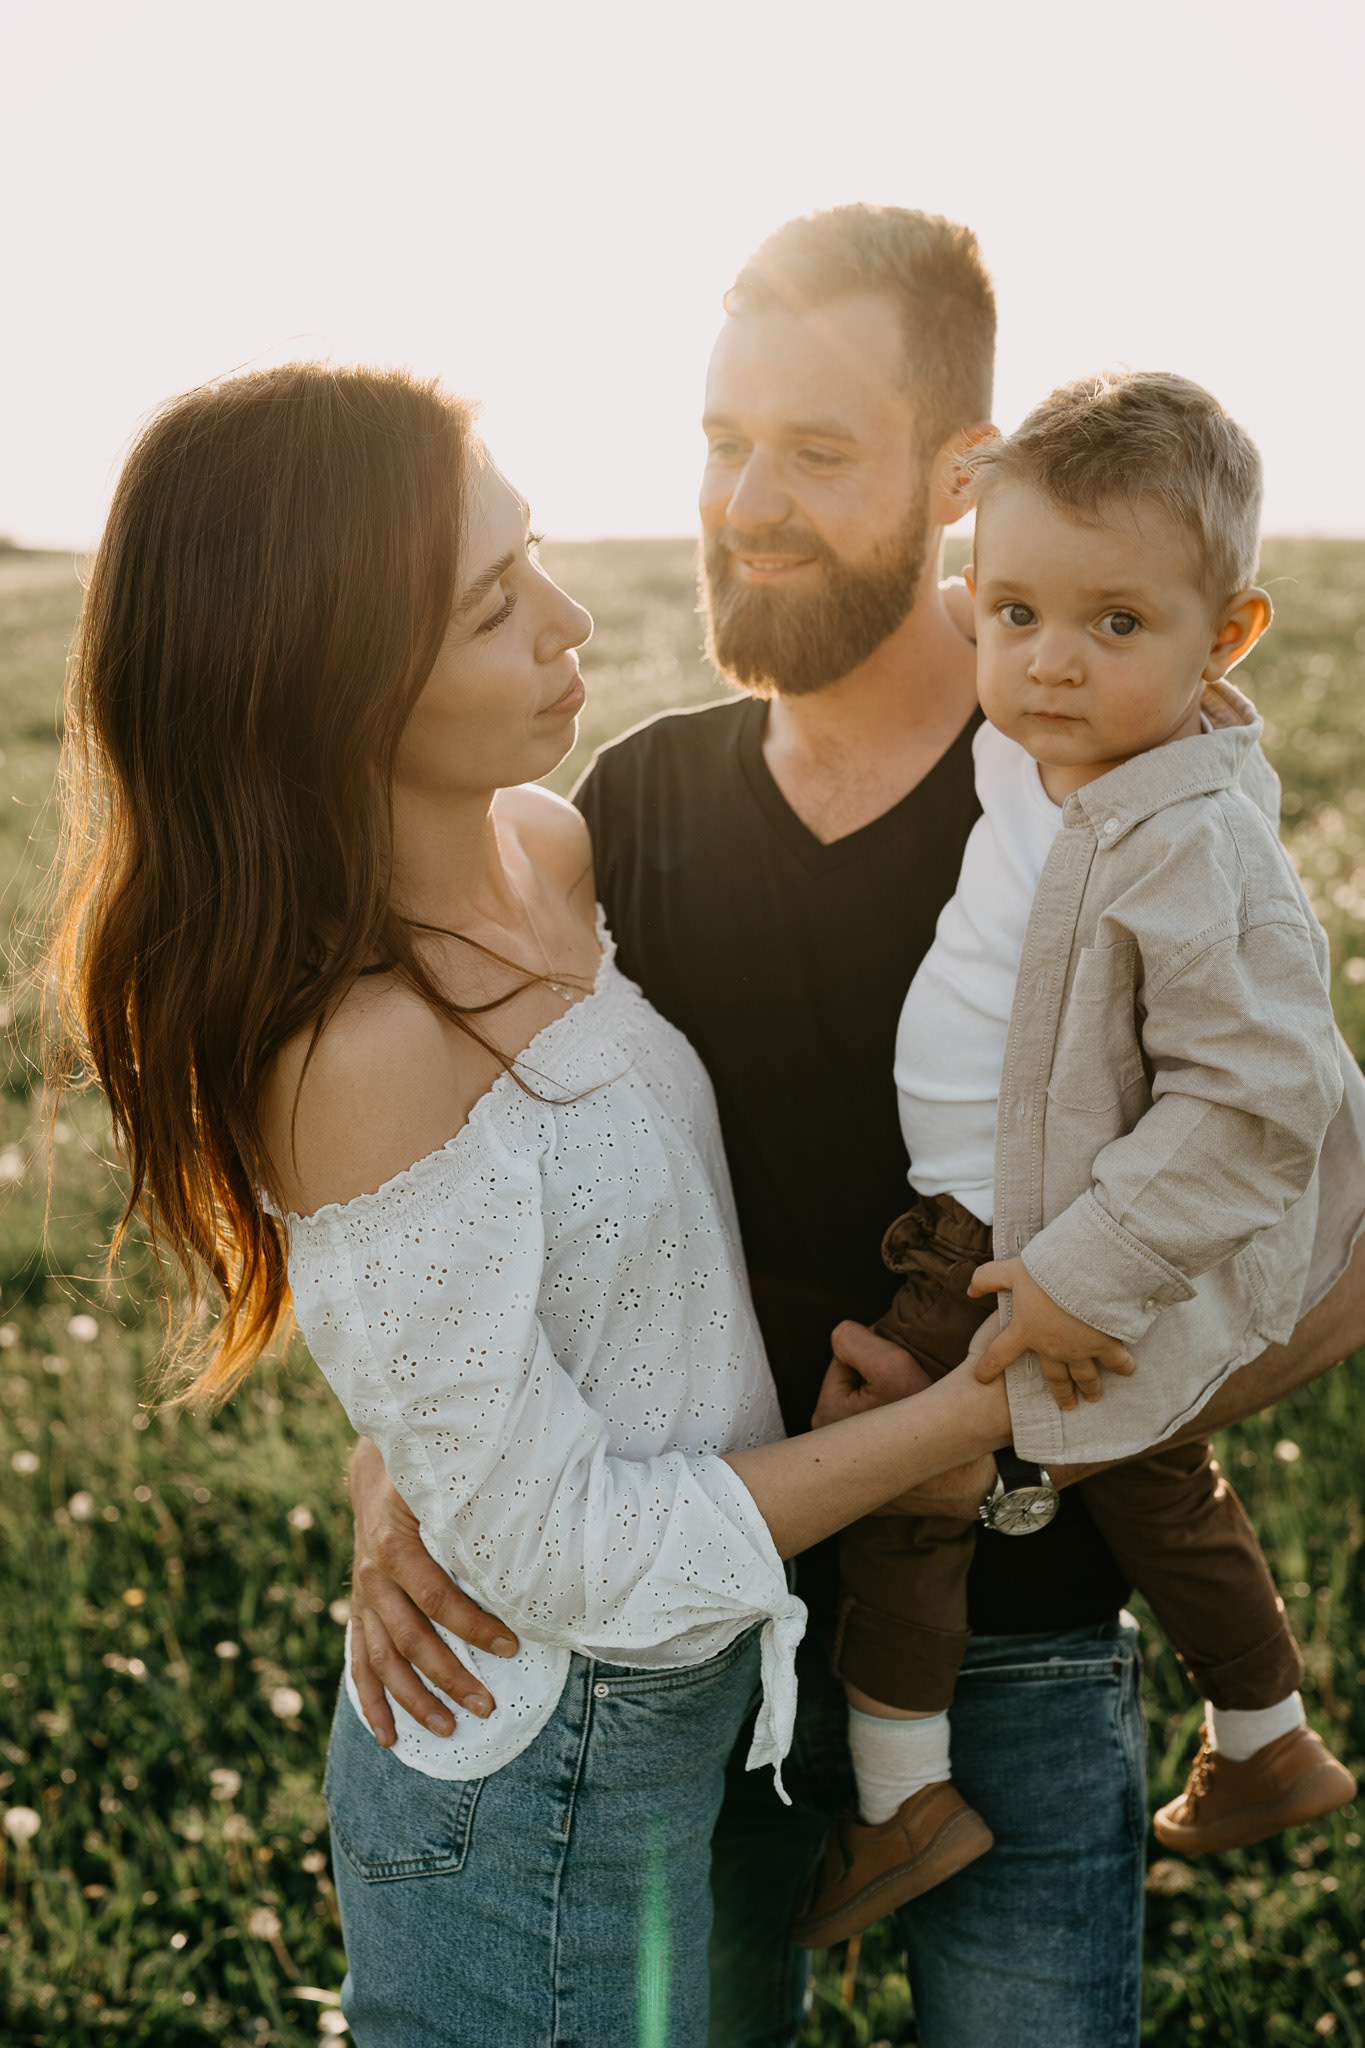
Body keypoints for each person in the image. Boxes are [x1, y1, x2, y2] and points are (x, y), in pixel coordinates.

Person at [344, 207, 1365, 2048]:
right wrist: (390, 1471)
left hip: (1025, 1636)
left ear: (959, 480)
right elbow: (452, 1183)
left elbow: (1328, 1223)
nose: (746, 503)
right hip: (695, 1663)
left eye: (816, 451)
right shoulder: (630, 801)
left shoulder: (1102, 804)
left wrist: (1010, 1423)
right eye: (721, 441)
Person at [45, 361, 1023, 2048]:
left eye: (537, 556)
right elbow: (557, 1552)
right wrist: (964, 1421)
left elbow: (540, 1315)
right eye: (494, 607)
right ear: (323, 686)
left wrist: (406, 1467)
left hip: (708, 1711)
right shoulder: (359, 1048)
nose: (570, 622)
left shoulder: (545, 853)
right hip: (538, 1792)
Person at [795, 370, 1359, 1949]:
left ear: (1224, 638)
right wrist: (962, 515)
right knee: (1151, 1477)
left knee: (907, 1480)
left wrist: (1075, 1277)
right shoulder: (1041, 743)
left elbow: (1253, 1100)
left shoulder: (1187, 838)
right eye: (1017, 614)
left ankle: (900, 1802)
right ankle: (1264, 1737)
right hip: (1007, 1208)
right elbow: (965, 601)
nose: (1050, 659)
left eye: (1117, 622)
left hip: (1023, 1234)